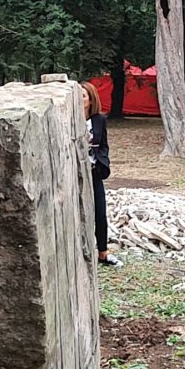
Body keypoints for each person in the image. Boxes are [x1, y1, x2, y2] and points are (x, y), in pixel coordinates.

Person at [85, 81, 118, 267]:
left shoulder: (99, 120)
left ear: (90, 100)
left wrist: (102, 161)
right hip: (75, 172)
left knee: (100, 211)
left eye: (83, 96)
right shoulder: (68, 118)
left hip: (94, 171)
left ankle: (103, 253)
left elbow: (104, 144)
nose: (79, 99)